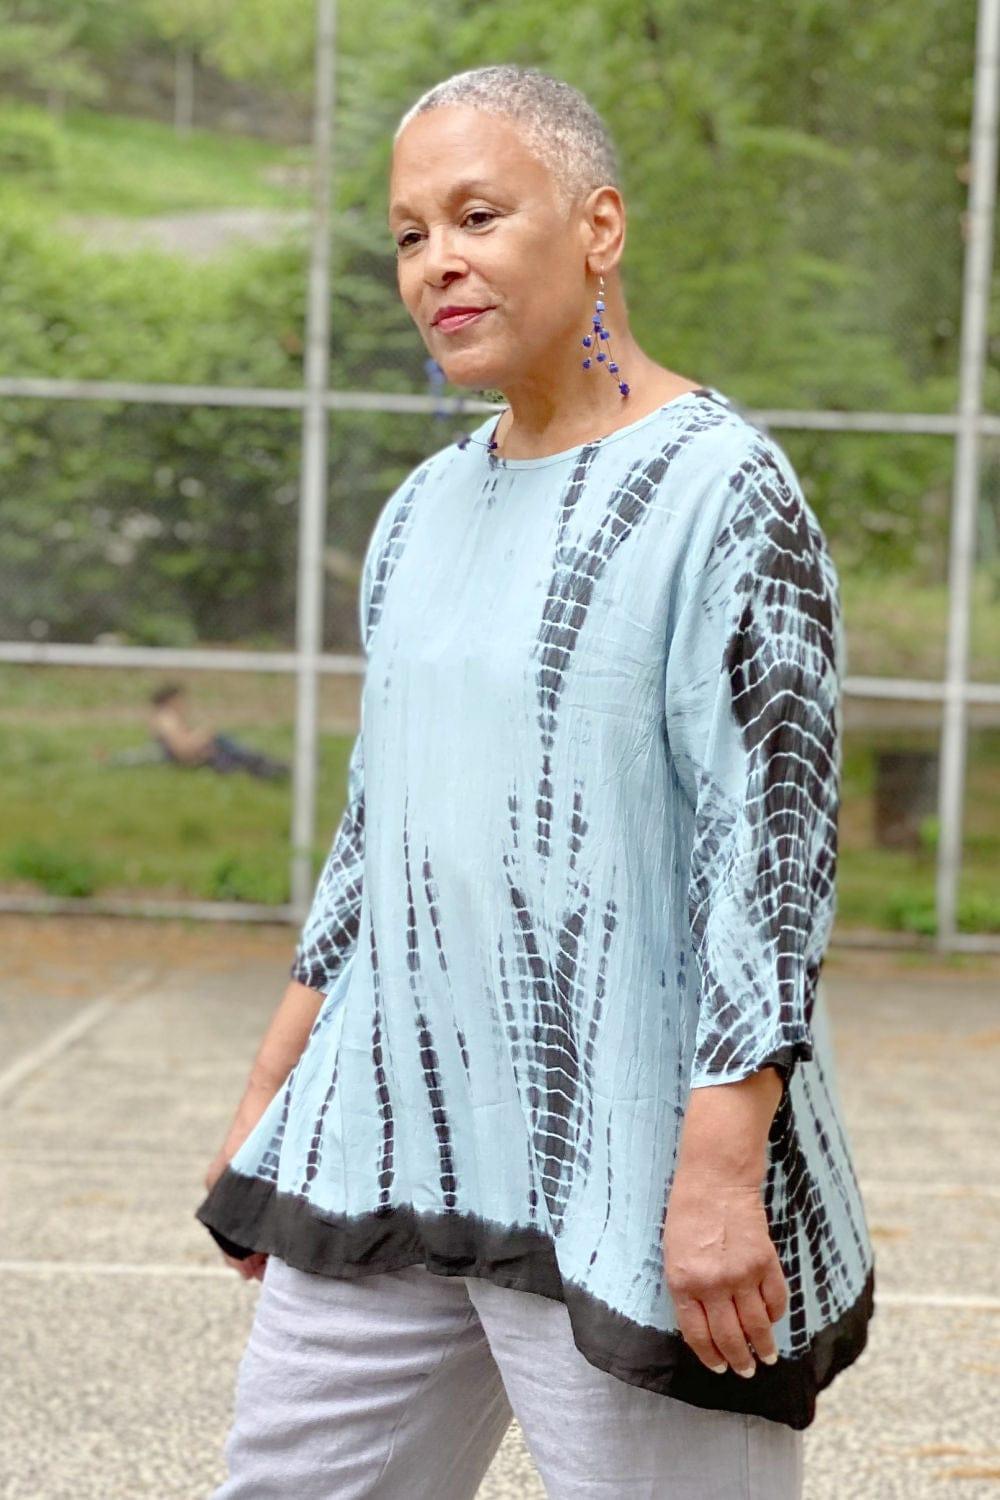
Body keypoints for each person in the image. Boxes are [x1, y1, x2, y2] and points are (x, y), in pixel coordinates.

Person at [195, 64, 876, 1499]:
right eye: (407, 235)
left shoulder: (721, 492)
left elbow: (775, 859)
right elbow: (380, 827)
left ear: (600, 227)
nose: (435, 263)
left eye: (478, 215)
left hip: (624, 1162)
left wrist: (716, 1176)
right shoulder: (424, 507)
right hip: (390, 1143)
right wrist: (275, 1088)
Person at [148, 683, 289, 781]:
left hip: (203, 754)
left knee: (236, 752)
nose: (184, 704)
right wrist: (203, 735)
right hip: (197, 757)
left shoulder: (168, 718)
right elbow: (181, 749)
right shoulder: (166, 719)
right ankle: (272, 767)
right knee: (228, 747)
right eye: (180, 700)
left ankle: (270, 766)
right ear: (170, 700)